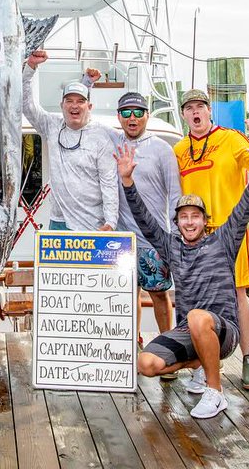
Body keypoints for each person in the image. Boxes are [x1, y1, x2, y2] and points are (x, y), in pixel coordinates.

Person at [117, 136, 249, 419]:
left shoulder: (224, 240)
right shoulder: (171, 246)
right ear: (177, 222)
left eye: (195, 216)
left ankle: (215, 392)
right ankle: (200, 364)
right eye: (184, 216)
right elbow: (144, 218)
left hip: (223, 330)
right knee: (145, 363)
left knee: (197, 316)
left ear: (205, 220)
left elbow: (245, 207)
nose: (190, 221)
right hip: (189, 333)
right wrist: (128, 183)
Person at [173, 88, 249, 391]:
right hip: (194, 238)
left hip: (229, 234)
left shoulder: (231, 138)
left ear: (209, 110)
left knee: (238, 295)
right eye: (190, 108)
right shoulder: (180, 149)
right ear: (184, 113)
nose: (195, 112)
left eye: (200, 106)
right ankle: (203, 364)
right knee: (197, 300)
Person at [99, 89, 180, 355]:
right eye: (125, 113)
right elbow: (82, 117)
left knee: (159, 295)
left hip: (154, 239)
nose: (132, 118)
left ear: (146, 116)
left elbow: (175, 193)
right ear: (119, 118)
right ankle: (133, 343)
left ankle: (167, 345)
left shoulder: (162, 149)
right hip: (121, 238)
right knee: (127, 294)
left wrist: (174, 234)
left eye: (137, 113)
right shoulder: (112, 142)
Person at [23, 50, 119, 231]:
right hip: (58, 222)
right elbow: (26, 104)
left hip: (93, 224)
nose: (74, 105)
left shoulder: (101, 137)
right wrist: (30, 67)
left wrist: (111, 222)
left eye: (80, 101)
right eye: (69, 101)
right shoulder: (51, 125)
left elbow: (109, 183)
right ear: (62, 106)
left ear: (89, 107)